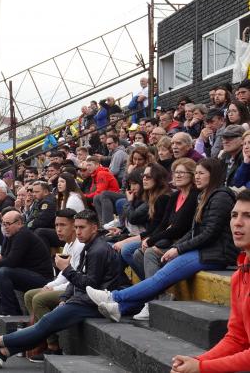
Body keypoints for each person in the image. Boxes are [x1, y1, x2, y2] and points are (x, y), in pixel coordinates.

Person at [0, 209, 130, 368]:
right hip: (84, 298)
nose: (78, 232)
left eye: (82, 228)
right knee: (45, 324)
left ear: (94, 228)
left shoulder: (98, 250)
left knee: (45, 322)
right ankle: (3, 353)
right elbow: (79, 279)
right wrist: (65, 297)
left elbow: (90, 284)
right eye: (77, 227)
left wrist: (67, 272)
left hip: (93, 303)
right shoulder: (90, 246)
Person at [86, 158, 238, 322]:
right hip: (204, 250)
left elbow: (209, 233)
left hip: (215, 253)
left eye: (201, 173)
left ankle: (114, 297)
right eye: (197, 173)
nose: (197, 177)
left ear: (213, 175)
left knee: (160, 277)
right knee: (157, 275)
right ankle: (120, 308)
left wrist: (178, 249)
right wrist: (177, 247)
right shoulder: (206, 196)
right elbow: (195, 231)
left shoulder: (220, 197)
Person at [169, 190, 250, 373]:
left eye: (248, 216)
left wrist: (202, 367)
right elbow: (237, 338)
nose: (238, 222)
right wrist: (195, 362)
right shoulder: (240, 275)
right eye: (234, 215)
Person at [128, 159, 199, 320]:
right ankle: (160, 296)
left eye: (183, 172)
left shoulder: (194, 196)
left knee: (150, 253)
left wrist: (152, 241)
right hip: (169, 240)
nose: (178, 176)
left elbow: (179, 227)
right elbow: (165, 223)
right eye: (176, 172)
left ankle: (151, 300)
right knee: (138, 253)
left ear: (192, 175)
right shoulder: (175, 196)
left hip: (182, 242)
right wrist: (150, 239)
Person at [22, 209, 85, 361]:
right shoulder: (68, 245)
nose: (58, 229)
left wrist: (53, 289)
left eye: (63, 225)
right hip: (67, 286)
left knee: (39, 299)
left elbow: (75, 279)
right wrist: (49, 285)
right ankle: (41, 338)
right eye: (56, 225)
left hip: (77, 291)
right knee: (29, 294)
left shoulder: (79, 246)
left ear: (73, 226)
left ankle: (53, 347)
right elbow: (63, 275)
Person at [0, 210, 54, 317]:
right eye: (3, 223)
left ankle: (9, 313)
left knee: (4, 272)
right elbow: (3, 257)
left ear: (19, 223)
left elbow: (11, 261)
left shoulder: (23, 235)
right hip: (25, 273)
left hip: (41, 278)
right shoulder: (10, 235)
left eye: (8, 224)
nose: (5, 227)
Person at [116, 163, 171, 279]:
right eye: (143, 177)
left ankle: (148, 287)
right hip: (153, 236)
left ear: (158, 178)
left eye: (148, 177)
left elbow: (156, 227)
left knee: (127, 250)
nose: (144, 179)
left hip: (165, 239)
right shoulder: (152, 197)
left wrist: (146, 239)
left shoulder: (162, 198)